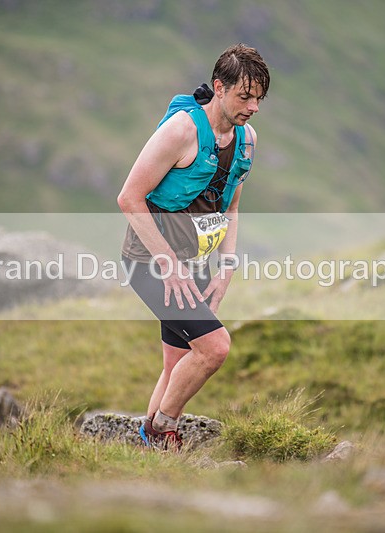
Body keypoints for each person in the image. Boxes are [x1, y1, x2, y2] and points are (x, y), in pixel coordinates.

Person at [117, 43, 270, 450]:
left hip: (197, 263)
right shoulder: (181, 131)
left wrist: (227, 268)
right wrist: (168, 263)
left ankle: (149, 455)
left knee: (175, 365)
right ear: (219, 88)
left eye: (259, 98)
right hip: (151, 263)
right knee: (215, 347)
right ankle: (160, 428)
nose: (253, 107)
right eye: (245, 96)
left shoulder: (246, 139)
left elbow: (232, 205)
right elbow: (129, 198)